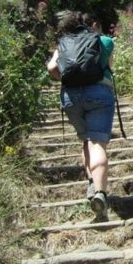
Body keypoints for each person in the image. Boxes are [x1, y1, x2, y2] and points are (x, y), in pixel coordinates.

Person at [46, 11, 116, 222]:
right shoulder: (103, 40)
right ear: (92, 25)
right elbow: (109, 67)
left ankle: (92, 183)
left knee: (86, 139)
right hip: (99, 94)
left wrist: (65, 80)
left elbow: (51, 68)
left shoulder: (63, 43)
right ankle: (100, 193)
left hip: (71, 97)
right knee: (98, 143)